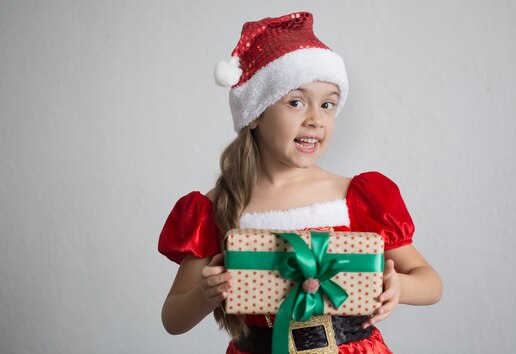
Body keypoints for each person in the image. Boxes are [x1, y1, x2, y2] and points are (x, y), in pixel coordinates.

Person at [158, 12, 443, 354]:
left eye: (327, 104)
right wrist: (204, 296)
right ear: (256, 114)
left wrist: (398, 288)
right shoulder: (217, 206)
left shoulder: (356, 197)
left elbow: (431, 283)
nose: (315, 119)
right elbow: (173, 319)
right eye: (295, 102)